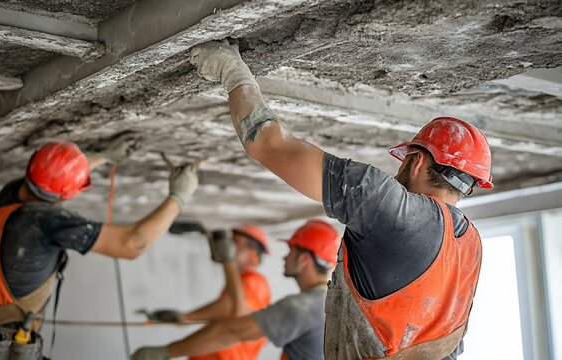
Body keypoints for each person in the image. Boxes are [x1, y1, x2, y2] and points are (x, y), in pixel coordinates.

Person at [186, 40, 493, 359]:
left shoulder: (388, 208)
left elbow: (267, 144)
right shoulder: (471, 246)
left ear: (414, 161)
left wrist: (231, 70)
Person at [0, 136, 200, 360]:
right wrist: (179, 197)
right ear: (70, 194)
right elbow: (132, 245)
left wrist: (102, 157)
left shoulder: (6, 197)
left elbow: (49, 180)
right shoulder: (47, 221)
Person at [132, 220, 340, 360]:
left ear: (304, 260)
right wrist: (184, 317)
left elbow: (234, 324)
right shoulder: (328, 304)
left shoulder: (300, 305)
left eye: (290, 251)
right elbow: (227, 308)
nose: (284, 257)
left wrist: (165, 352)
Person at [144, 225, 272, 360]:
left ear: (254, 255)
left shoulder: (256, 281)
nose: (229, 247)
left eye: (235, 243)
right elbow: (227, 307)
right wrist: (185, 317)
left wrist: (187, 317)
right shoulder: (241, 282)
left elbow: (234, 308)